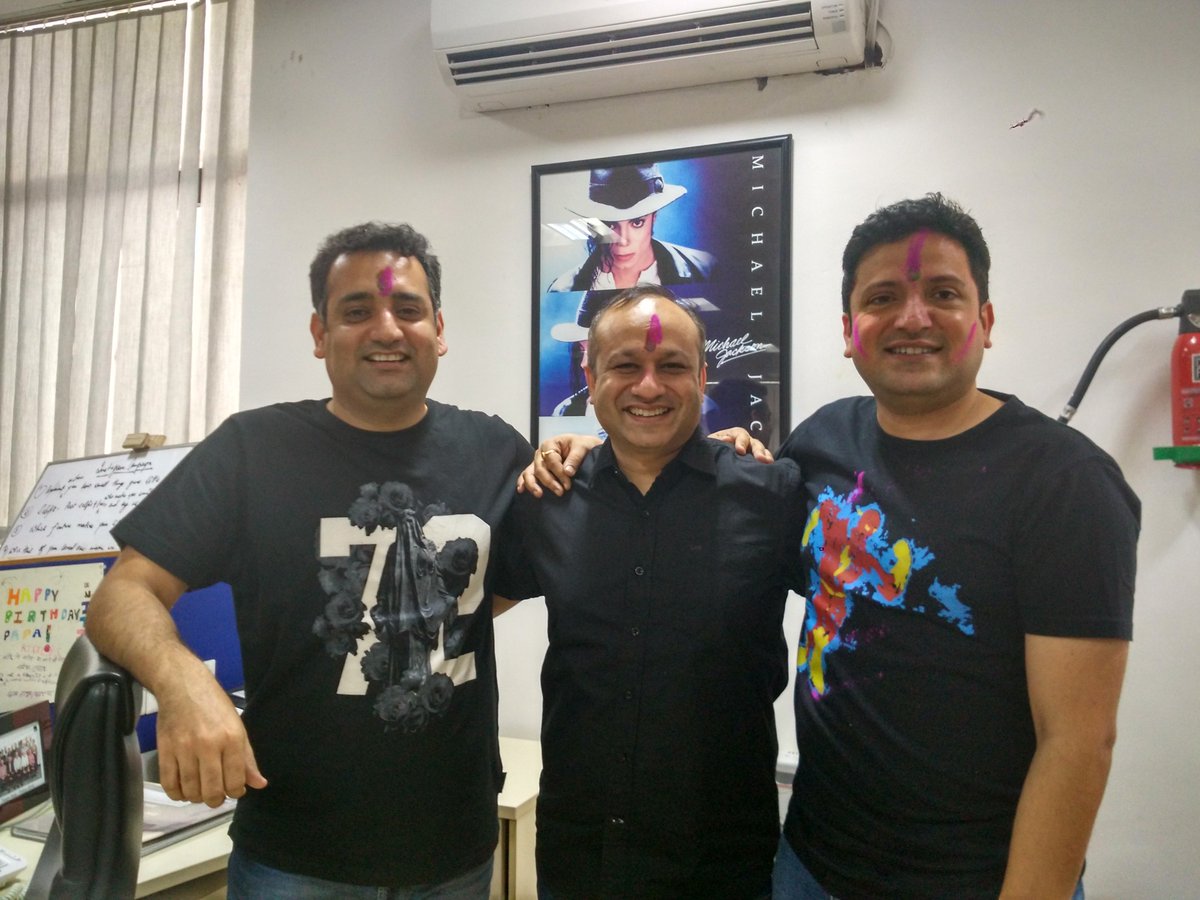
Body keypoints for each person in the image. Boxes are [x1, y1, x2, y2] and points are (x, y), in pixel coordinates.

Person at [527, 195, 1140, 899]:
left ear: (987, 320)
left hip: (972, 879)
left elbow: (1078, 742)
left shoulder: (1064, 482)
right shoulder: (820, 447)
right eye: (883, 298)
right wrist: (588, 448)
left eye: (943, 294)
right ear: (850, 331)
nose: (913, 318)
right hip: (811, 864)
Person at [84, 222, 533, 898]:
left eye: (407, 308)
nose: (386, 328)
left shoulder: (495, 450)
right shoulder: (251, 451)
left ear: (438, 330)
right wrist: (182, 681)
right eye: (357, 310)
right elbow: (123, 593)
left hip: (455, 851)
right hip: (295, 858)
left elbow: (506, 581)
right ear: (321, 333)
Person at [496, 285, 805, 898]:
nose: (648, 386)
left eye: (671, 366)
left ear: (702, 377)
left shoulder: (772, 496)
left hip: (723, 865)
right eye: (625, 365)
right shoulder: (547, 500)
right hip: (578, 858)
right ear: (589, 377)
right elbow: (466, 614)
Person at [547, 164, 716, 292]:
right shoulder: (564, 288)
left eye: (637, 223)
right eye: (610, 224)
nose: (623, 240)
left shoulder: (705, 268)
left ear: (654, 217)